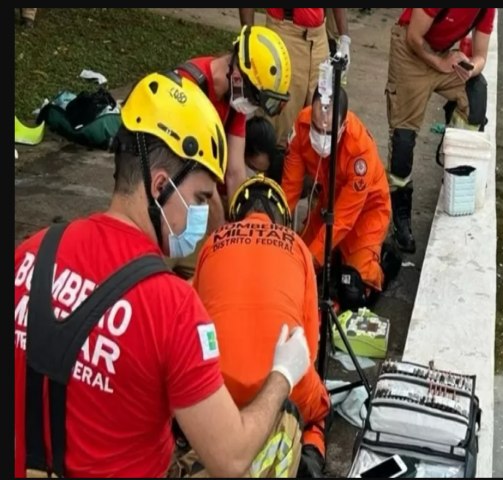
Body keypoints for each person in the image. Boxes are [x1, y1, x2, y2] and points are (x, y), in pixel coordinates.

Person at [14, 71, 311, 478]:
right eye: (201, 197)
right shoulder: (172, 309)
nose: (205, 217)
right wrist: (283, 374)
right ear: (159, 185)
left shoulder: (32, 252)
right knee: (283, 430)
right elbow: (230, 457)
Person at [193, 174, 331, 477]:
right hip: (282, 391)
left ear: (235, 216)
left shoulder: (210, 245)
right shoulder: (297, 246)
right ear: (281, 218)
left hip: (216, 395)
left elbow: (194, 325)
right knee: (319, 409)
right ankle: (309, 448)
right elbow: (308, 339)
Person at [166, 25, 292, 281]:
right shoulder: (189, 89)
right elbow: (202, 178)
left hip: (194, 200)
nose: (253, 106)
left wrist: (243, 230)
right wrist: (225, 240)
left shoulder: (234, 103)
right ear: (238, 74)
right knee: (174, 280)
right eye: (255, 98)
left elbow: (234, 173)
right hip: (167, 199)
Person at [385, 8, 496, 253]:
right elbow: (414, 36)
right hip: (412, 52)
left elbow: (480, 56)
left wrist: (469, 68)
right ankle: (401, 219)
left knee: (475, 96)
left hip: (444, 56)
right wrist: (439, 63)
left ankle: (454, 166)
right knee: (403, 139)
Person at [281, 86, 394, 311]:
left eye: (329, 132)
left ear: (343, 125)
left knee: (354, 286)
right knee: (295, 256)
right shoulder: (301, 127)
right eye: (316, 127)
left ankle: (383, 261)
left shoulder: (360, 150)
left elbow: (343, 219)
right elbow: (289, 190)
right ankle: (334, 256)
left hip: (367, 210)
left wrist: (310, 259)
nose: (321, 137)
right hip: (329, 202)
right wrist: (274, 233)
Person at [239, 8, 350, 183]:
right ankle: (267, 200)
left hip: (318, 37)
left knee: (321, 126)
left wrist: (344, 38)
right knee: (278, 132)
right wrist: (248, 35)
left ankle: (309, 200)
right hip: (285, 32)